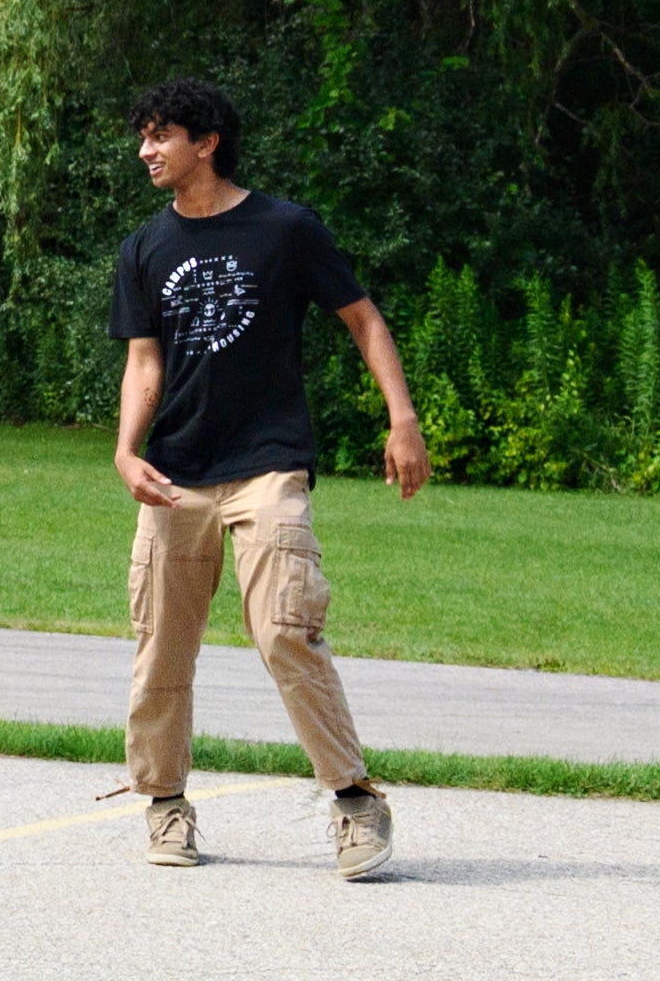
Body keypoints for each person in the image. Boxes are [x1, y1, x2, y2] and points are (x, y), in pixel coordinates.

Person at [110, 76, 426, 882]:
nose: (146, 150)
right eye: (144, 136)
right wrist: (126, 449)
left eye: (160, 135)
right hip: (177, 471)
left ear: (206, 141)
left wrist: (402, 418)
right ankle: (165, 803)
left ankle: (355, 800)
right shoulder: (146, 247)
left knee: (285, 627)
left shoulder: (286, 229)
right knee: (160, 647)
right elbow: (143, 360)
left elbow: (362, 317)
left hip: (268, 463)